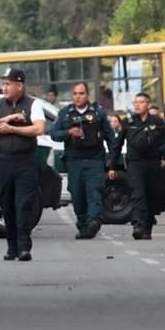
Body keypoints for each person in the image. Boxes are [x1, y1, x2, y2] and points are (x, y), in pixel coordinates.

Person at [0, 68, 46, 262]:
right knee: (7, 205)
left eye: (8, 84)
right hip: (3, 161)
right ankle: (12, 247)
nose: (4, 87)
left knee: (24, 204)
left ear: (20, 85)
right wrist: (8, 119)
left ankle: (24, 247)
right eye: (3, 83)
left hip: (25, 160)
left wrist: (13, 130)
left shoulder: (33, 104)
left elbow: (39, 128)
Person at [49, 82, 116, 240]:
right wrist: (69, 132)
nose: (78, 97)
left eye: (81, 93)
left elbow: (110, 137)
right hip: (74, 161)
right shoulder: (65, 113)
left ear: (87, 95)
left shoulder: (98, 113)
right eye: (75, 94)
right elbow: (53, 133)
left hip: (94, 160)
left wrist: (112, 159)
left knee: (94, 192)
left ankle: (94, 221)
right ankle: (83, 226)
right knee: (77, 195)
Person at [108, 93, 165, 240]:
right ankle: (137, 225)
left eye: (141, 102)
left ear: (148, 104)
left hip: (153, 163)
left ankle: (147, 228)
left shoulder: (157, 122)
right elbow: (117, 145)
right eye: (135, 102)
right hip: (135, 163)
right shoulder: (128, 122)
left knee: (151, 196)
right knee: (138, 194)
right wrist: (112, 166)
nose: (137, 105)